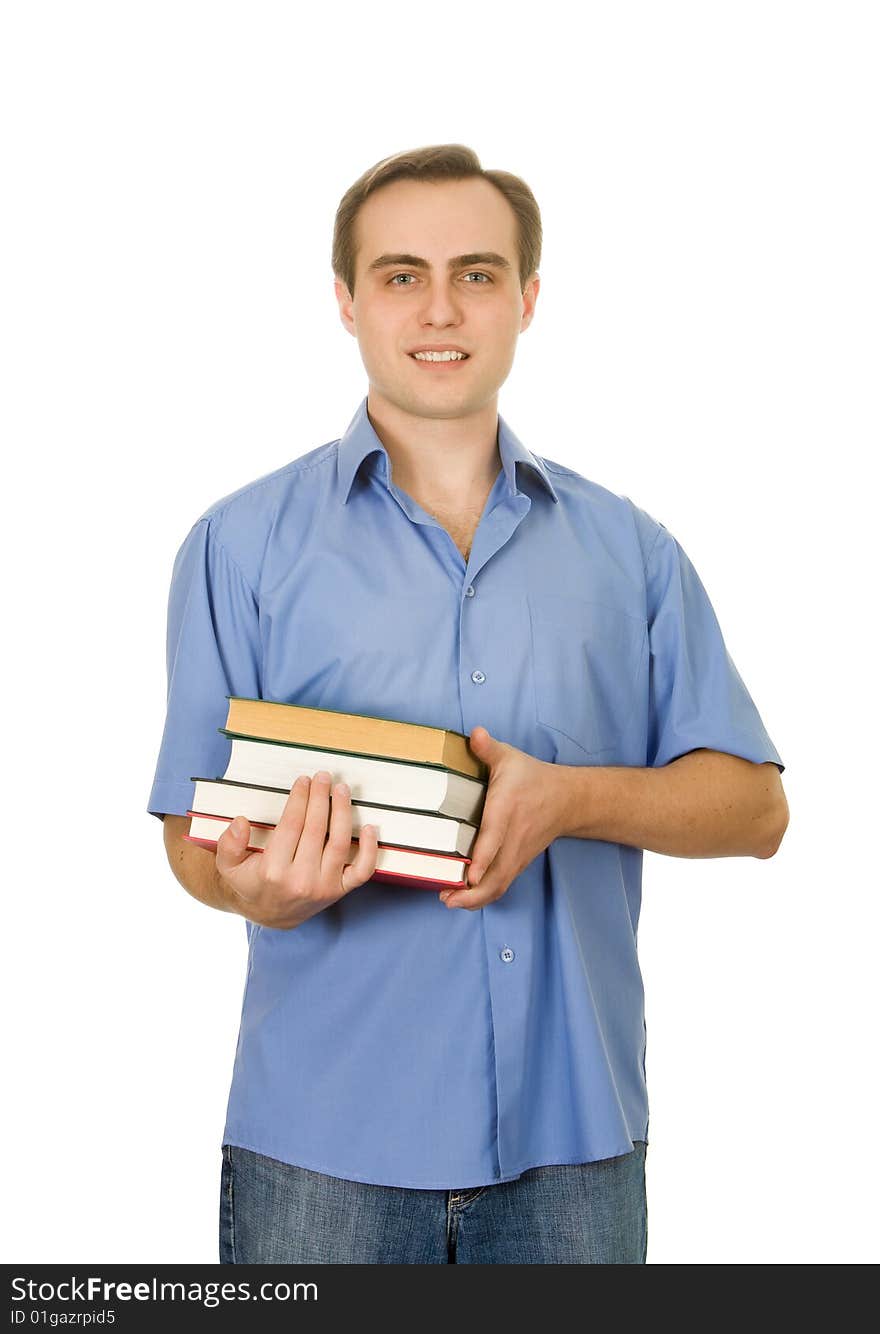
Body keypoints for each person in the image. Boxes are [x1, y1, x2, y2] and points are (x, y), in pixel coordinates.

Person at [148, 143, 789, 1265]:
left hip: (574, 1144)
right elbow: (191, 838)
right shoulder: (236, 546)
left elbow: (754, 809)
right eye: (400, 274)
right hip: (321, 1150)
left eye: (477, 274)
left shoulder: (631, 552)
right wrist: (261, 889)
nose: (439, 308)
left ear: (527, 299)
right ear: (345, 301)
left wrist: (570, 798)